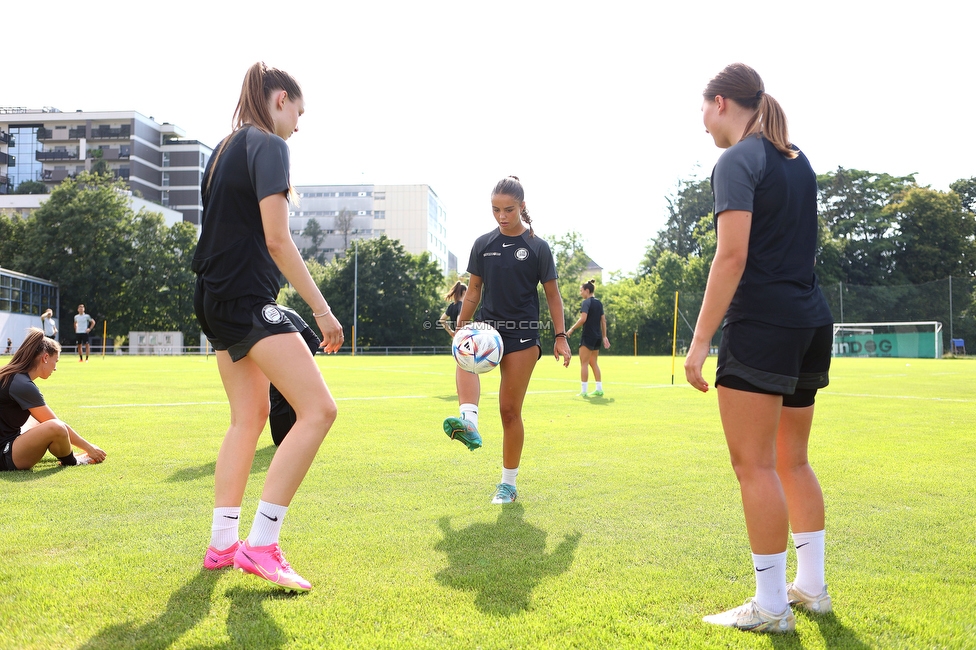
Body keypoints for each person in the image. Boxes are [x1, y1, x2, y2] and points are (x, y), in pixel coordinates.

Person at [684, 63, 834, 634]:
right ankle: (811, 589)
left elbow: (732, 256)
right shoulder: (799, 160)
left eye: (702, 110)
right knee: (792, 459)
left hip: (764, 327)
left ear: (720, 102)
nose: (701, 124)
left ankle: (771, 605)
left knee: (755, 466)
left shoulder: (736, 160)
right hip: (809, 323)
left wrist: (700, 344)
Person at [192, 62, 343, 592]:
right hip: (244, 299)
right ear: (280, 99)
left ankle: (222, 544)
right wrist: (323, 311)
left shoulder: (224, 147)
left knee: (249, 417)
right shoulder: (270, 146)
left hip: (212, 300)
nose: (298, 126)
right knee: (320, 409)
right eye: (298, 112)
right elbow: (278, 241)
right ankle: (261, 544)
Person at [442, 176, 572, 504]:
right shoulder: (482, 244)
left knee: (509, 411)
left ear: (522, 207)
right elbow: (472, 291)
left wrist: (560, 336)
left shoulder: (537, 247)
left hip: (524, 334)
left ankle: (508, 484)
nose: (502, 216)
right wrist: (462, 327)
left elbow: (553, 295)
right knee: (463, 356)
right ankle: (468, 423)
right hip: (487, 329)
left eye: (509, 209)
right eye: (496, 209)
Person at [0, 328, 106, 471]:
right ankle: (73, 461)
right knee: (57, 427)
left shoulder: (14, 376)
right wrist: (89, 448)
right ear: (45, 358)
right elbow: (57, 425)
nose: (55, 368)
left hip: (7, 444)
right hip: (4, 455)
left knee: (38, 420)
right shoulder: (22, 385)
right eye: (55, 361)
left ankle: (65, 454)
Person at [566, 279, 609, 397]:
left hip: (588, 336)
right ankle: (599, 389)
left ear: (587, 290)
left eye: (581, 291)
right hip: (597, 336)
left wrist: (572, 329)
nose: (580, 293)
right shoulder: (599, 303)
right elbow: (603, 321)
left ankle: (584, 391)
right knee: (593, 362)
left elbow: (583, 319)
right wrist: (604, 336)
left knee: (584, 363)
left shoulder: (586, 303)